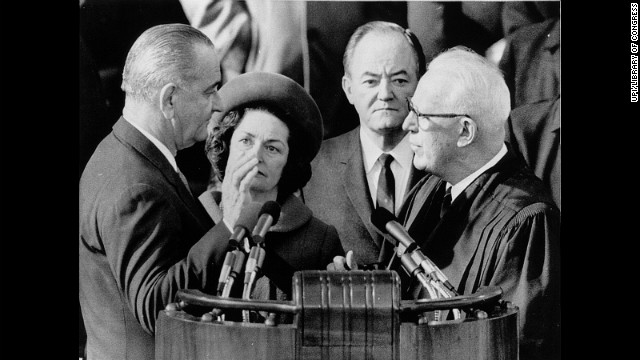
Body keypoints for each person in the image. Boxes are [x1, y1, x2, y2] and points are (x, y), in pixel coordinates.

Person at [79, 23, 238, 360]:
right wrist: (231, 225)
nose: (219, 103)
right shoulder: (135, 188)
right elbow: (154, 306)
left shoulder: (116, 153)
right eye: (211, 90)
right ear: (169, 99)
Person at [398, 46, 560, 360]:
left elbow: (518, 347)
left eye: (421, 115)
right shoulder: (428, 191)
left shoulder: (526, 221)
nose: (407, 124)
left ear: (464, 131)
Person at [199, 71, 344, 315]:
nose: (256, 157)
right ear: (225, 146)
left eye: (272, 148)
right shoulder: (197, 217)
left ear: (289, 162)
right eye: (246, 141)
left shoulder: (319, 239)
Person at [304, 21, 428, 269]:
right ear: (349, 90)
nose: (385, 93)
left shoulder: (442, 163)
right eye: (371, 82)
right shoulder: (313, 169)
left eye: (400, 81)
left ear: (421, 85)